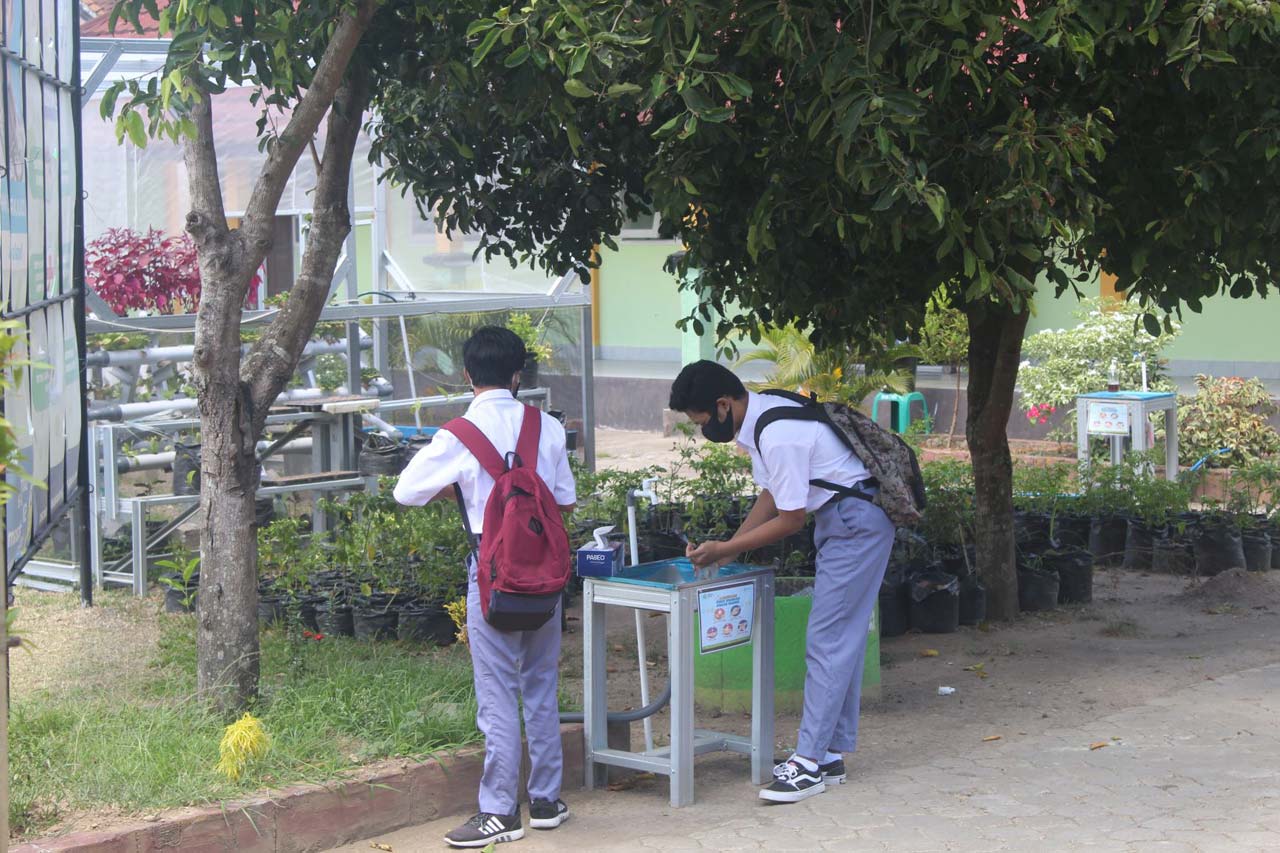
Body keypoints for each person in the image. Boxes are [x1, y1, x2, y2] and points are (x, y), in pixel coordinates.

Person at [668, 360, 894, 804]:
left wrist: (726, 548)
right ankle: (828, 754)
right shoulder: (764, 413)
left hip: (855, 522)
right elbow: (772, 495)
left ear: (722, 404)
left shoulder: (777, 434)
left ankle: (807, 763)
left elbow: (790, 519)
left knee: (828, 639)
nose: (703, 432)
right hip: (846, 517)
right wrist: (730, 548)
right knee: (839, 638)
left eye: (702, 422)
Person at [394, 327, 576, 847]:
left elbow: (406, 491)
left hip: (492, 573)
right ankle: (545, 800)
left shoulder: (458, 435)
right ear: (519, 375)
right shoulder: (548, 427)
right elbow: (563, 500)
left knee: (498, 692)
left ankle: (499, 811)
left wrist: (463, 484)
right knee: (541, 683)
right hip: (545, 574)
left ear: (467, 374)